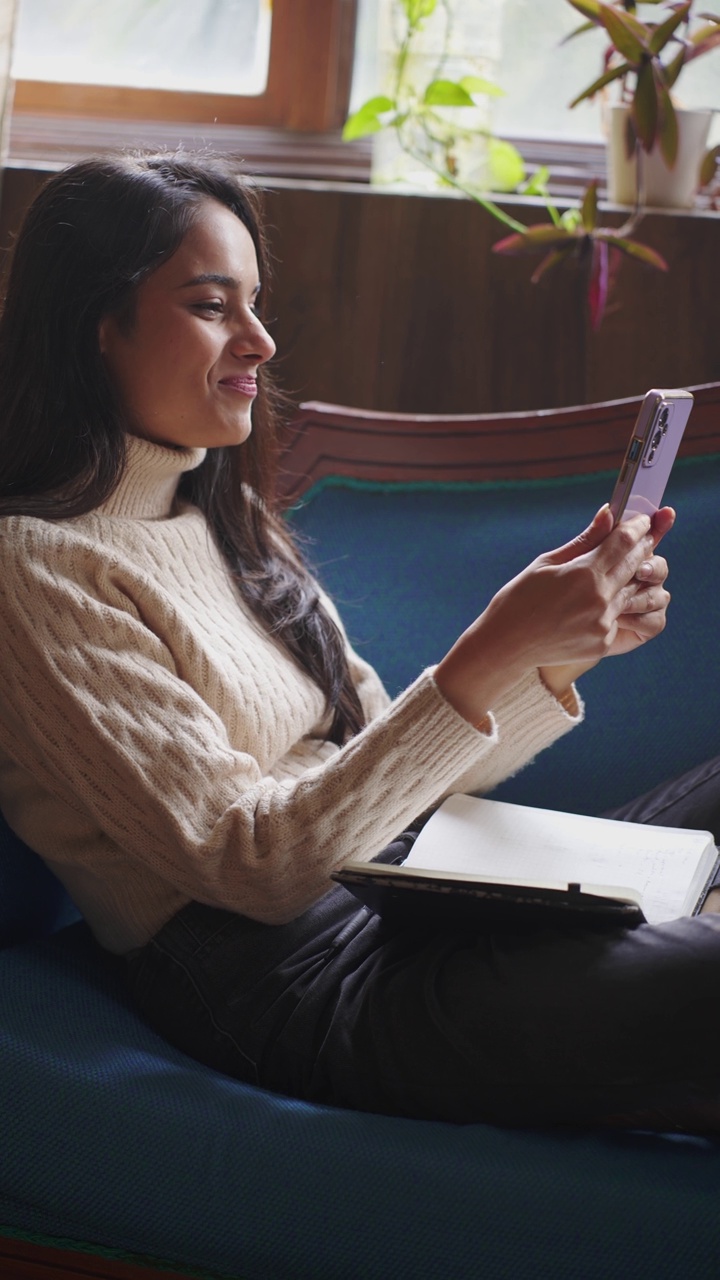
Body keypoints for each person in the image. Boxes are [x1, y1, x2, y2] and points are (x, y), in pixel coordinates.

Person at [1, 151, 719, 1134]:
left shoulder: (224, 515)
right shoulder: (34, 566)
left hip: (410, 889)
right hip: (297, 977)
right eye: (214, 305)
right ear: (94, 330)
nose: (261, 339)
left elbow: (391, 766)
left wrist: (548, 651)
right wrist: (484, 652)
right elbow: (252, 865)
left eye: (256, 303)